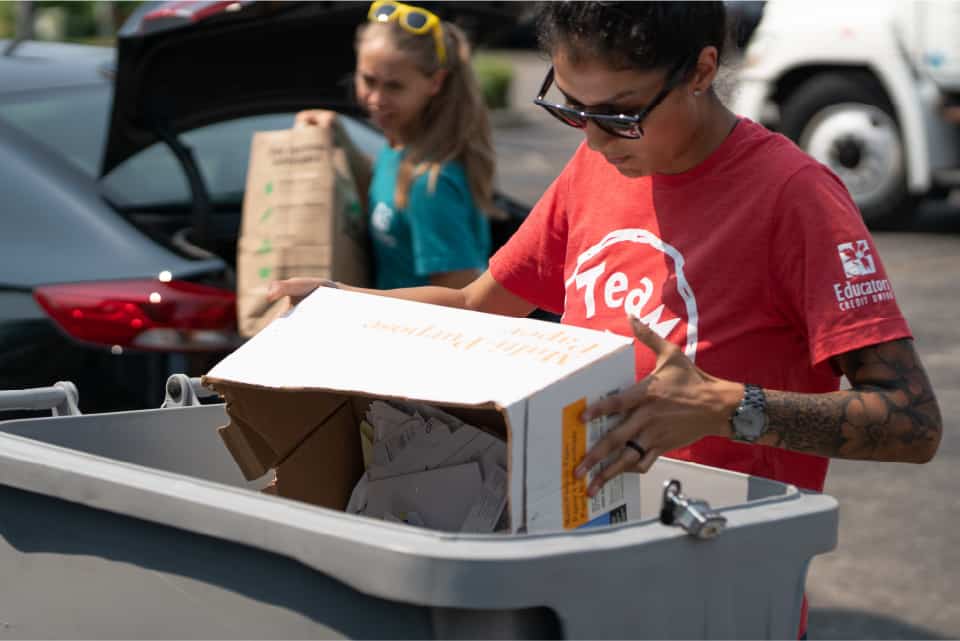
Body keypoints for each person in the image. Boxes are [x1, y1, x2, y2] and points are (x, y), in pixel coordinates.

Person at [271, 3, 941, 635]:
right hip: (580, 579)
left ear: (702, 72)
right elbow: (475, 305)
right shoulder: (595, 170)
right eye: (570, 106)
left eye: (620, 113)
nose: (592, 139)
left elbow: (912, 421)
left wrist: (729, 407)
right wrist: (343, 308)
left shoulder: (795, 198)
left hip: (718, 591)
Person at [295, 0, 499, 291]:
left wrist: (339, 295)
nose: (376, 98)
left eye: (394, 86)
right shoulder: (399, 148)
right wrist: (339, 135)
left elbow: (459, 301)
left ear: (435, 83)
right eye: (368, 80)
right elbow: (383, 195)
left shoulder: (431, 185)